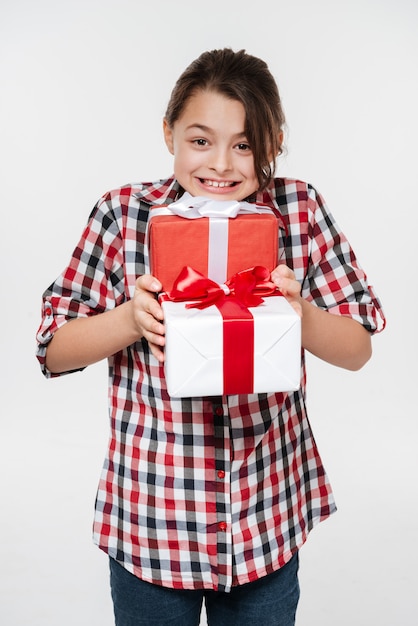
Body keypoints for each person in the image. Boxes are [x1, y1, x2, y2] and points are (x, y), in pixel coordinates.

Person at [36, 48, 385, 625]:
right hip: (153, 524)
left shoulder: (297, 210)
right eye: (200, 140)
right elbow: (51, 347)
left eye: (245, 144)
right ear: (169, 132)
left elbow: (358, 348)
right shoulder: (124, 215)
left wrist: (298, 312)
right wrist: (129, 320)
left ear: (272, 145)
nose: (222, 163)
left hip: (264, 523)